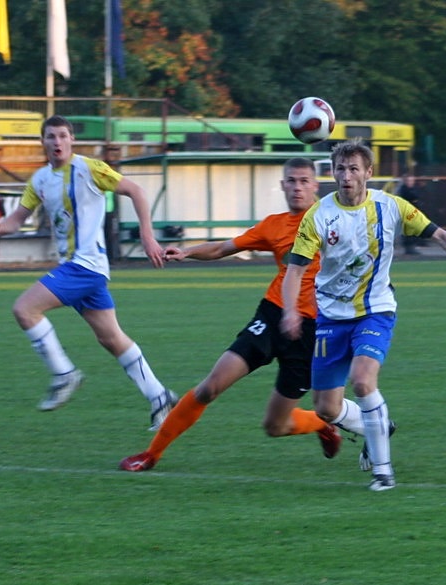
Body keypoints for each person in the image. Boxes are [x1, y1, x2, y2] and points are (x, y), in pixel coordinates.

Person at [280, 139, 446, 491]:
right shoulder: (319, 216)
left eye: (354, 169)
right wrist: (290, 311)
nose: (346, 176)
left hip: (376, 310)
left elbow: (439, 234)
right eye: (340, 168)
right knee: (325, 408)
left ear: (368, 172)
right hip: (331, 316)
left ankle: (383, 472)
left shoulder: (391, 206)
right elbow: (295, 271)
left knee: (364, 380)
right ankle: (377, 425)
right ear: (332, 173)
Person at [120, 157, 358, 472]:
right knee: (211, 386)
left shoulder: (335, 220)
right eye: (292, 180)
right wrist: (188, 252)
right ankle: (151, 454)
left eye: (304, 180)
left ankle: (320, 424)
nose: (297, 187)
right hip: (273, 315)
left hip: (312, 332)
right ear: (283, 185)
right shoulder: (274, 225)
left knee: (274, 426)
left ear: (315, 185)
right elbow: (223, 248)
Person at [0, 115, 177, 429]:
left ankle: (64, 374)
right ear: (43, 142)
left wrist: (147, 236)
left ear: (71, 140)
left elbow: (137, 191)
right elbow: (18, 218)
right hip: (80, 269)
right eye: (51, 136)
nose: (57, 142)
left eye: (62, 135)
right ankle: (159, 396)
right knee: (112, 338)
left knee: (24, 309)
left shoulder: (90, 168)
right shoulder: (39, 180)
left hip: (84, 266)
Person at [395, 173, 422, 254]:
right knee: (407, 231)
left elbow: (417, 197)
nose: (411, 182)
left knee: (413, 230)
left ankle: (412, 247)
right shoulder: (403, 190)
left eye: (412, 180)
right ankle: (408, 248)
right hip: (406, 213)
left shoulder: (413, 189)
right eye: (409, 180)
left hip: (414, 213)